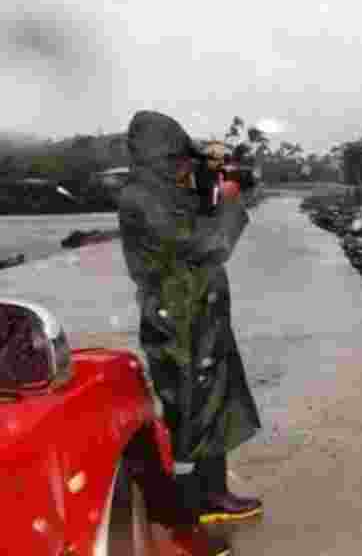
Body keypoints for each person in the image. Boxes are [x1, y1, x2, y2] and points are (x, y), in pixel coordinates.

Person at [117, 111, 263, 528]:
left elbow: (193, 217)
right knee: (198, 403)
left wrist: (213, 181)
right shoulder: (144, 197)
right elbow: (210, 242)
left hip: (191, 309)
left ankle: (201, 493)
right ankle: (200, 500)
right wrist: (231, 199)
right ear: (160, 156)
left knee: (205, 400)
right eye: (178, 158)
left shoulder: (156, 190)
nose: (184, 166)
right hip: (182, 316)